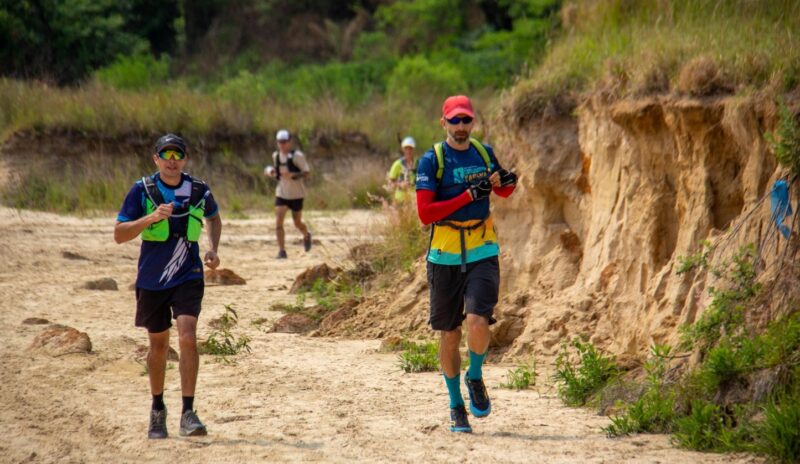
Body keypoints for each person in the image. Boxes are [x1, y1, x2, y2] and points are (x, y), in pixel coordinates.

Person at [415, 95, 518, 433]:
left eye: (466, 121)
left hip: (482, 248)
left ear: (473, 122)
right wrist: (466, 196)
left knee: (477, 321)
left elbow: (502, 192)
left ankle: (475, 375)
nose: (461, 127)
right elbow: (425, 214)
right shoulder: (432, 160)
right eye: (455, 121)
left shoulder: (483, 153)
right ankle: (455, 404)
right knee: (449, 333)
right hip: (444, 253)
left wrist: (507, 182)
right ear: (443, 122)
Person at [114, 133, 222, 439]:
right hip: (152, 280)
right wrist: (150, 217)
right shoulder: (142, 190)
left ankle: (188, 413)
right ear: (156, 159)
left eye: (178, 156)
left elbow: (214, 218)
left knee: (187, 336)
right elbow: (120, 234)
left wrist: (213, 247)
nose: (172, 162)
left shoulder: (199, 189)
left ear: (185, 159)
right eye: (166, 155)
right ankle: (157, 409)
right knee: (159, 345)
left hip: (189, 274)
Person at [263, 129, 312, 259]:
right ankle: (282, 251)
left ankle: (306, 235)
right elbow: (277, 173)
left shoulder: (298, 156)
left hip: (296, 194)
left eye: (284, 142)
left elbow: (307, 173)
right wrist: (271, 172)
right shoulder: (276, 156)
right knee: (278, 222)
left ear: (290, 142)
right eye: (280, 142)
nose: (282, 144)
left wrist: (294, 175)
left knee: (297, 223)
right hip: (282, 193)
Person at [386, 136, 418, 203]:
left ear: (414, 149)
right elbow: (390, 183)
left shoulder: (418, 163)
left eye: (410, 148)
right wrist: (400, 184)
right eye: (406, 148)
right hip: (400, 200)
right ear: (403, 149)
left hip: (414, 200)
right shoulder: (397, 164)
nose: (408, 151)